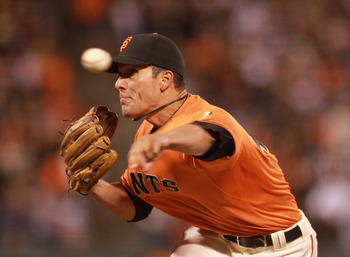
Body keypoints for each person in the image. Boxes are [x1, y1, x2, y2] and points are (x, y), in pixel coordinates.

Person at [88, 33, 318, 256]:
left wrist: (163, 140)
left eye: (131, 73)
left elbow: (209, 138)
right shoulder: (146, 131)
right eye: (120, 75)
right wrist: (92, 184)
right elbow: (136, 205)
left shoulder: (207, 117)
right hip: (217, 239)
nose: (119, 83)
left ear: (165, 80)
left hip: (283, 244)